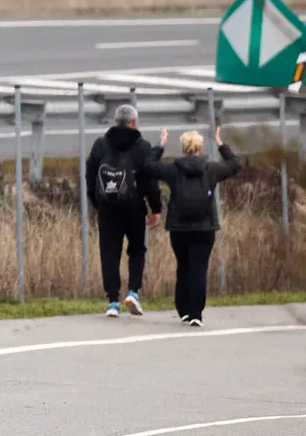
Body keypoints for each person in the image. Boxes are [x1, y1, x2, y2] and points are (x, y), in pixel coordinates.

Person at [144, 127, 241, 328]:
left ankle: (184, 310)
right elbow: (234, 164)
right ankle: (196, 313)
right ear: (200, 147)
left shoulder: (173, 169)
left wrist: (160, 144)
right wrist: (221, 144)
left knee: (183, 266)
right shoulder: (211, 169)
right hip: (205, 227)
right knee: (199, 268)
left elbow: (149, 166)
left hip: (179, 227)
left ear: (183, 148)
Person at [84, 104, 163, 318]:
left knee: (109, 252)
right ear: (134, 122)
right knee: (137, 249)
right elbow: (150, 181)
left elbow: (90, 176)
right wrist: (155, 208)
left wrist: (97, 202)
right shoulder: (142, 147)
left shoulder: (100, 145)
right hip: (134, 207)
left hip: (107, 208)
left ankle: (112, 301)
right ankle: (133, 292)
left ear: (115, 121)